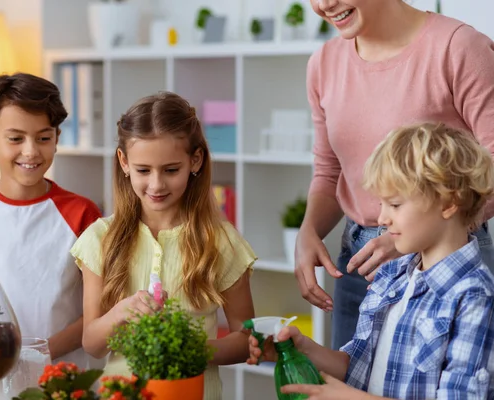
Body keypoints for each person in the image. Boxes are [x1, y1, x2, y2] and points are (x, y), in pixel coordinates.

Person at [295, 0, 494, 350]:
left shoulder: (459, 48)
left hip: (444, 260)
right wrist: (309, 231)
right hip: (359, 264)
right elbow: (329, 171)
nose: (324, 5)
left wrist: (411, 236)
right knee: (354, 383)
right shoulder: (323, 65)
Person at [251, 122, 494, 399]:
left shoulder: (475, 297)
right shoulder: (393, 276)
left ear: (449, 202)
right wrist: (305, 349)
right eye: (381, 205)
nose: (381, 219)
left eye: (395, 204)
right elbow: (359, 367)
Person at [70, 91, 256, 399]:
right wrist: (121, 313)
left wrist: (189, 350)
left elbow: (246, 338)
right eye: (143, 170)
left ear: (194, 160)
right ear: (124, 162)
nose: (156, 185)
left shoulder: (221, 242)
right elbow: (92, 344)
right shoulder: (100, 238)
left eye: (171, 170)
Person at [0, 72, 102, 368]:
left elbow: (98, 311)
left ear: (56, 139)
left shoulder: (82, 214)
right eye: (16, 138)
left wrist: (35, 356)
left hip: (67, 376)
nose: (31, 151)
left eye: (43, 138)